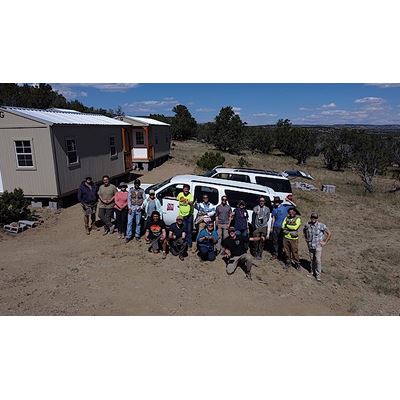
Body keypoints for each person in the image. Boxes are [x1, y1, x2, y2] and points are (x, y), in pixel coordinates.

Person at [303, 212, 332, 282]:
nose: (313, 218)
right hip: (310, 245)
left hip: (318, 246)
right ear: (310, 217)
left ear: (317, 218)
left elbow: (329, 233)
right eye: (312, 217)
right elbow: (304, 231)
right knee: (312, 260)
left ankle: (318, 275)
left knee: (318, 260)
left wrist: (324, 241)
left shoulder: (321, 225)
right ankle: (312, 272)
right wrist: (306, 239)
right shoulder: (307, 225)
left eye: (315, 217)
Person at [176, 184, 194, 249]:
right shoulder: (180, 194)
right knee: (182, 229)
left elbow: (191, 202)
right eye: (185, 188)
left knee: (189, 230)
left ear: (189, 190)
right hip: (181, 215)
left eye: (187, 189)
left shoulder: (190, 196)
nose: (186, 190)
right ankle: (183, 243)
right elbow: (176, 199)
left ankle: (189, 244)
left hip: (189, 215)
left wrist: (186, 201)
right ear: (183, 189)